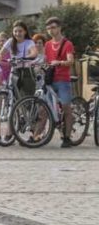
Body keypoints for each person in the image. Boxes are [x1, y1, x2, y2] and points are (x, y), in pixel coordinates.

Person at [43, 17, 76, 148]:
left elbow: (71, 61)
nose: (51, 30)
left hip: (63, 80)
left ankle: (67, 138)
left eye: (54, 27)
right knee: (44, 108)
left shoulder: (67, 44)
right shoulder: (47, 45)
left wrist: (60, 63)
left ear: (59, 28)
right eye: (49, 28)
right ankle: (36, 135)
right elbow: (45, 61)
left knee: (66, 107)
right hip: (50, 80)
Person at [2, 21, 37, 98]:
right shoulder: (10, 41)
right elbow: (0, 53)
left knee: (28, 98)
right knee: (12, 96)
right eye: (15, 31)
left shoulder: (29, 42)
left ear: (25, 32)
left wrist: (25, 57)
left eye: (20, 31)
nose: (17, 33)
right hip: (15, 71)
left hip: (27, 72)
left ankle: (28, 109)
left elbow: (34, 53)